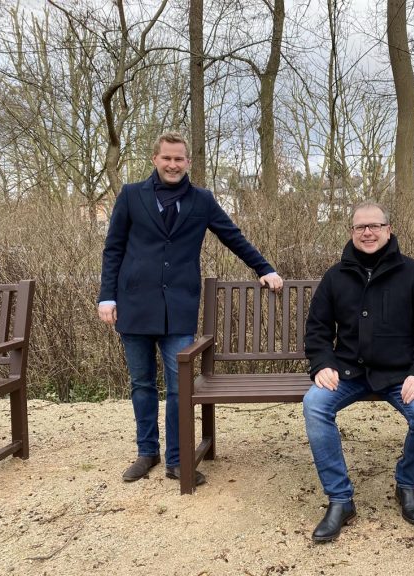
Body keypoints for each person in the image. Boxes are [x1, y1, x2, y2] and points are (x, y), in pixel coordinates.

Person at [98, 132, 283, 486]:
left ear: (188, 162)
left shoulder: (201, 200)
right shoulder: (131, 195)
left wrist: (264, 268)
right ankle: (146, 451)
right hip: (133, 305)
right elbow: (113, 249)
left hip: (178, 308)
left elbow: (233, 236)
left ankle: (177, 459)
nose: (172, 164)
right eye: (166, 158)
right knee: (141, 384)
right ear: (155, 159)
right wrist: (107, 296)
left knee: (179, 386)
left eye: (179, 159)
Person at [303, 201, 414, 542]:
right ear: (352, 232)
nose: (367, 232)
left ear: (388, 229)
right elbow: (317, 329)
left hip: (400, 375)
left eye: (374, 226)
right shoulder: (336, 276)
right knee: (314, 404)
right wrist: (322, 363)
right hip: (348, 373)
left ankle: (407, 485)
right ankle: (340, 499)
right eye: (360, 227)